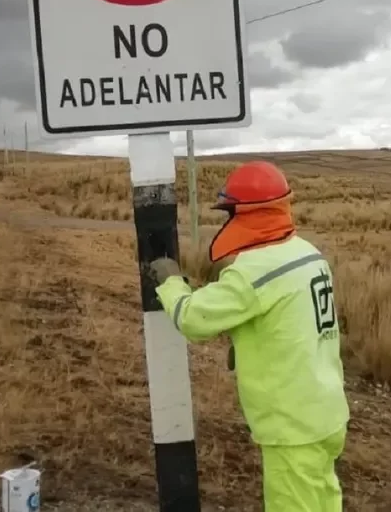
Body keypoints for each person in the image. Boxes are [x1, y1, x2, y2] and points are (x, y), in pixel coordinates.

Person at [149, 160, 349, 512]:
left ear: (246, 214)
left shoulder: (253, 272)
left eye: (230, 212)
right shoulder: (308, 253)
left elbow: (192, 318)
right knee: (323, 501)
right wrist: (248, 340)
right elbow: (291, 319)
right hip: (327, 413)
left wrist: (170, 282)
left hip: (292, 427)